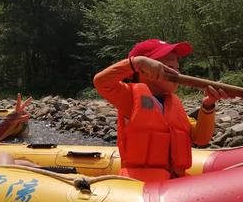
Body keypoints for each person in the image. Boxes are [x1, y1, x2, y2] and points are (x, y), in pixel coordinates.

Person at [93, 39, 229, 180]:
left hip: (175, 182)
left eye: (177, 68)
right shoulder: (129, 97)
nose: (177, 73)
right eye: (170, 67)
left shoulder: (173, 104)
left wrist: (208, 104)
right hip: (141, 185)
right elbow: (101, 82)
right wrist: (137, 62)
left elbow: (201, 138)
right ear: (145, 70)